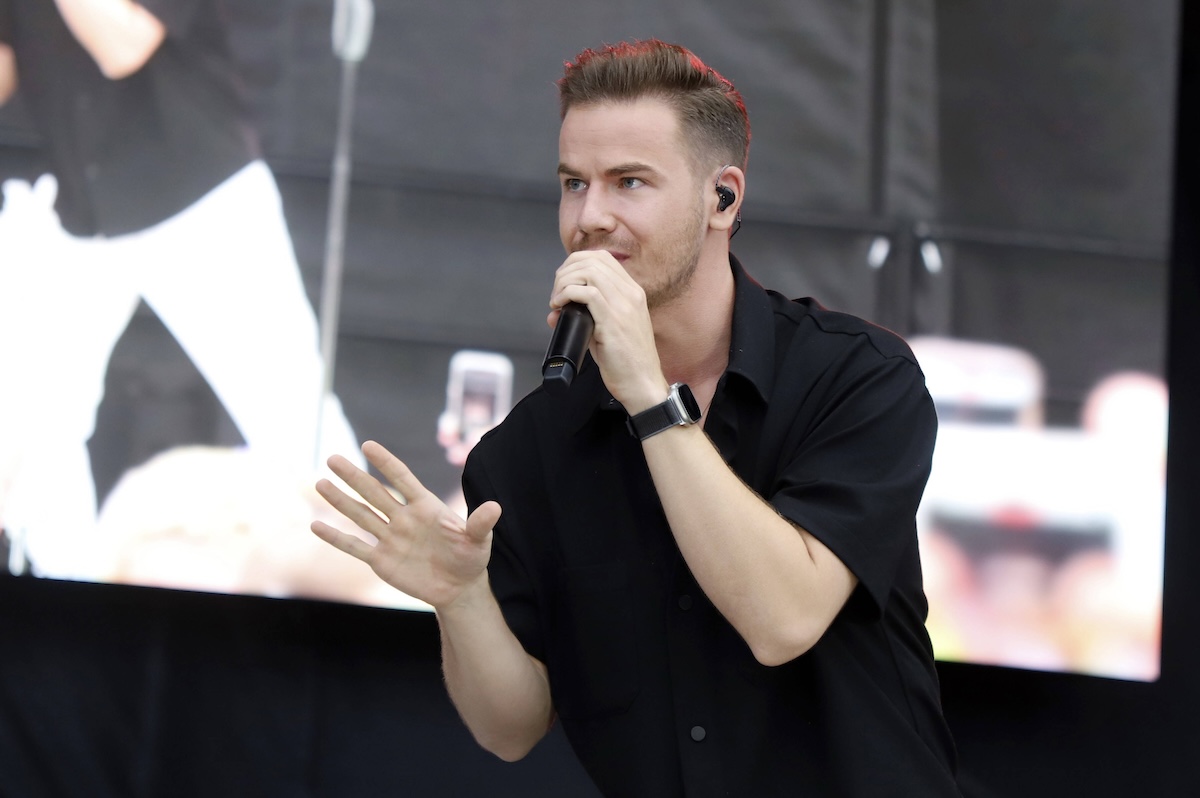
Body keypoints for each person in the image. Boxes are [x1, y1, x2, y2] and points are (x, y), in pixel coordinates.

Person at [313, 39, 960, 797]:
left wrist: (652, 398)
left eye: (629, 183)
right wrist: (461, 601)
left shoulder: (854, 377)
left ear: (723, 198)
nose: (590, 217)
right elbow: (512, 727)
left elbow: (782, 620)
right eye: (573, 183)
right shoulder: (528, 449)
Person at [0, 0, 360, 579]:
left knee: (288, 413)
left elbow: (124, 44)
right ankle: (63, 594)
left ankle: (354, 600)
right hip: (81, 207)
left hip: (197, 195)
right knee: (38, 421)